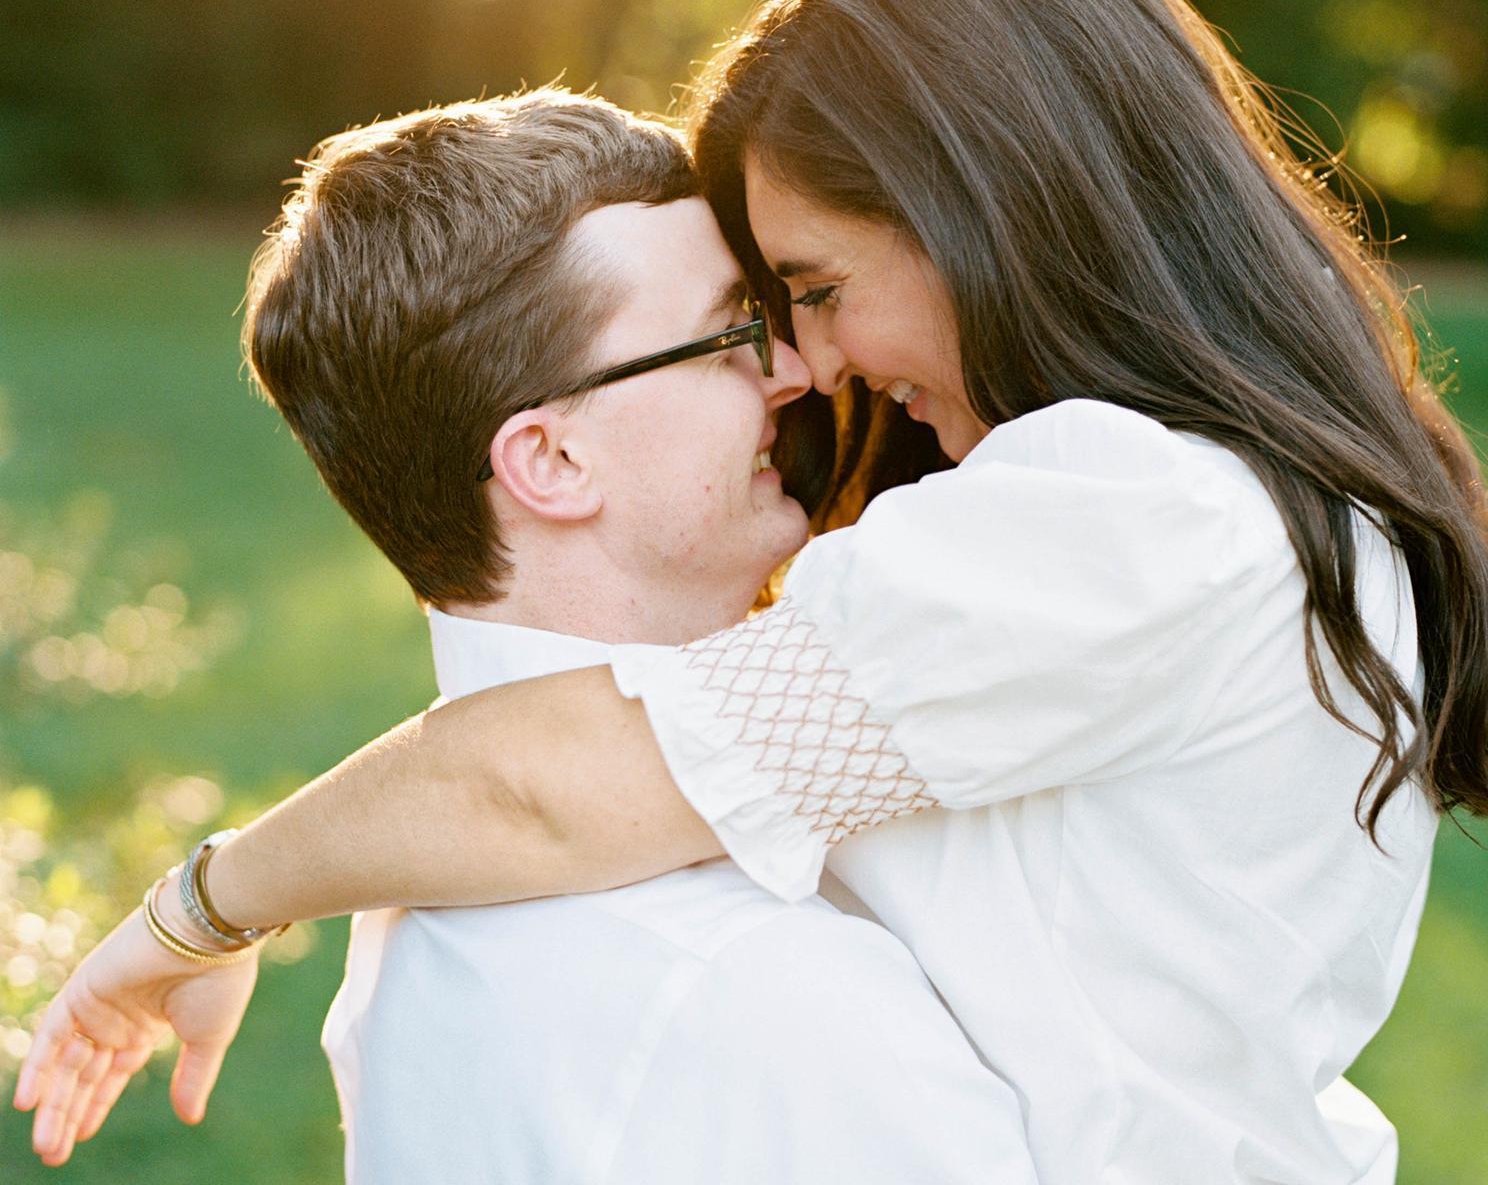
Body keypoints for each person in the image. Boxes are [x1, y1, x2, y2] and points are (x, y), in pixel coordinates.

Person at [19, 0, 1488, 1185]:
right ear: (547, 455)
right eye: (751, 320)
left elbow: (544, 790)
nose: (810, 366)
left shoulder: (1136, 518)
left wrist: (205, 908)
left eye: (811, 291)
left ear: (985, 215)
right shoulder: (706, 981)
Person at [17, 89, 1041, 1181]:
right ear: (552, 461)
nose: (793, 370)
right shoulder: (766, 998)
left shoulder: (413, 925)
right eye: (732, 333)